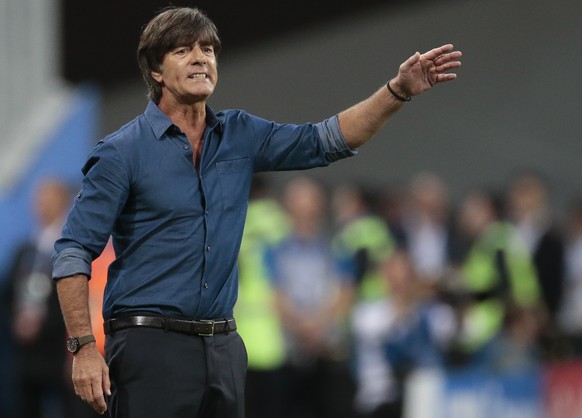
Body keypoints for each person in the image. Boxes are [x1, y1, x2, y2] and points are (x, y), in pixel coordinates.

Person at [51, 6, 462, 418]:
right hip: (150, 348)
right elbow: (72, 251)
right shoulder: (121, 153)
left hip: (224, 348)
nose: (201, 58)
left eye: (208, 49)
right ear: (156, 71)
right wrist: (83, 346)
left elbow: (326, 140)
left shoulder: (240, 134)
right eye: (183, 50)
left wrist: (397, 91)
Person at [266, 176, 356, 418]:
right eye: (298, 203)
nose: (305, 210)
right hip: (290, 353)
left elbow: (345, 292)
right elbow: (275, 294)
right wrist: (301, 327)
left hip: (328, 352)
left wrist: (319, 326)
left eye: (310, 203)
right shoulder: (276, 249)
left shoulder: (336, 246)